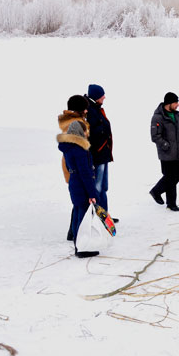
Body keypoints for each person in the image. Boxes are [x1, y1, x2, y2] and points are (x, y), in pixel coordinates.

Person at [57, 120, 99, 258]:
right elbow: (85, 173)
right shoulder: (80, 149)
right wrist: (91, 193)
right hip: (81, 184)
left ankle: (78, 245)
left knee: (78, 213)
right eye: (85, 130)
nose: (87, 133)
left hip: (74, 183)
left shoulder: (69, 147)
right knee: (83, 217)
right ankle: (82, 248)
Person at [58, 95, 90, 241]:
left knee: (78, 201)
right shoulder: (75, 123)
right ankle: (75, 233)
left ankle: (73, 232)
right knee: (80, 200)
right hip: (75, 164)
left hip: (71, 163)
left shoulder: (72, 120)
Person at [84, 83, 116, 221]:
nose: (104, 97)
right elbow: (91, 133)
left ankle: (105, 216)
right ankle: (98, 217)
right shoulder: (90, 111)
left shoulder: (96, 109)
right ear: (96, 97)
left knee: (103, 187)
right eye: (102, 95)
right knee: (97, 188)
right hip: (98, 155)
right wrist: (103, 132)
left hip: (103, 154)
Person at [150, 92, 179, 211]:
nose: (178, 105)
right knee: (170, 177)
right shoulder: (158, 117)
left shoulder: (176, 115)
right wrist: (165, 144)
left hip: (177, 152)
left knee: (175, 177)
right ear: (169, 103)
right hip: (166, 153)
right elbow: (155, 136)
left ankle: (171, 203)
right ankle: (156, 191)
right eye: (176, 102)